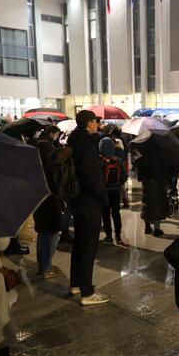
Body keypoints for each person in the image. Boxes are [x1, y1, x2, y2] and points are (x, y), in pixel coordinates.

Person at [67, 110, 110, 306]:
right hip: (88, 202)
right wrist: (103, 198)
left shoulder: (74, 140)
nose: (97, 125)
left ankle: (76, 283)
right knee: (88, 247)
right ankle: (87, 292)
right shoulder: (86, 144)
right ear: (88, 124)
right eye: (95, 122)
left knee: (79, 244)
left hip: (77, 200)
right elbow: (91, 176)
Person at [33, 140, 63, 279]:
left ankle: (42, 265)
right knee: (52, 234)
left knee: (42, 235)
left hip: (38, 203)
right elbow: (57, 186)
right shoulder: (52, 167)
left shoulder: (35, 168)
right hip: (51, 203)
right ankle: (47, 267)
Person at [98, 137, 127, 244]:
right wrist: (118, 184)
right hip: (116, 191)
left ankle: (108, 237)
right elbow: (124, 176)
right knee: (116, 213)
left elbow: (97, 177)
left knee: (105, 214)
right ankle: (118, 237)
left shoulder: (100, 161)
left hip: (104, 191)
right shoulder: (118, 160)